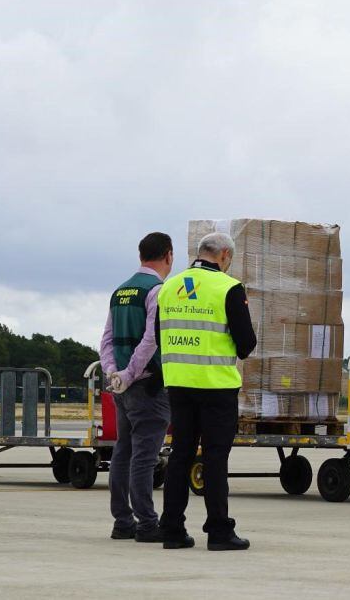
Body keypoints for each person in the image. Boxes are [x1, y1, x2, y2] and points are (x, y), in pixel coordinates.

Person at [157, 232, 256, 551]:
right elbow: (246, 345)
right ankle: (218, 531)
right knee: (215, 458)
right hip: (216, 386)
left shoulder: (169, 287)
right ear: (224, 255)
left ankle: (171, 529)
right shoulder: (228, 288)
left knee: (180, 455)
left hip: (179, 384)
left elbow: (160, 336)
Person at [98, 232, 174, 543]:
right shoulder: (157, 290)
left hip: (121, 387)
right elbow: (151, 339)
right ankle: (146, 523)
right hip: (147, 386)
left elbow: (106, 340)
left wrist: (113, 373)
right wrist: (129, 374)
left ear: (141, 255)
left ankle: (122, 521)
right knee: (144, 455)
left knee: (123, 452)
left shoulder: (120, 291)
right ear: (168, 256)